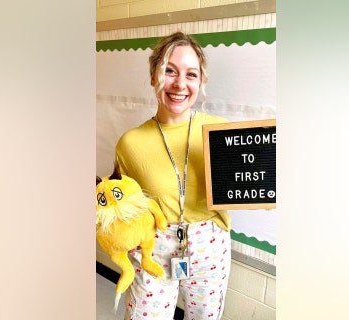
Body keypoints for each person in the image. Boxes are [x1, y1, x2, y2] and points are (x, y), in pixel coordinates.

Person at [114, 31, 232, 320]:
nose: (180, 84)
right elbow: (121, 203)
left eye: (191, 74)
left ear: (201, 81)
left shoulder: (221, 133)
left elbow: (250, 182)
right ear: (154, 74)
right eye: (169, 71)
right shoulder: (130, 143)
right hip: (153, 247)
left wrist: (267, 194)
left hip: (209, 247)